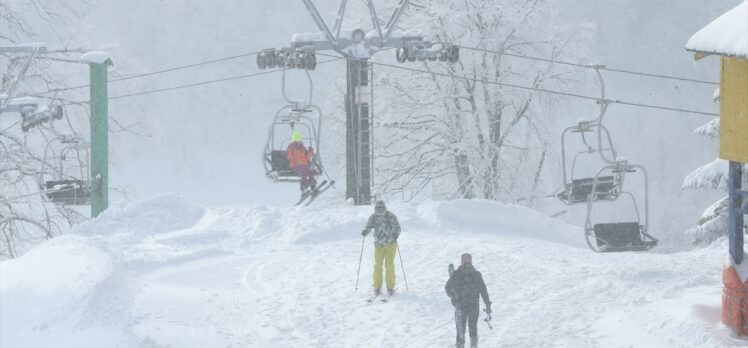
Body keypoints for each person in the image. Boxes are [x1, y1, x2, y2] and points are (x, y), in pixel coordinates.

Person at [445, 253, 491, 348]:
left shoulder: (477, 275)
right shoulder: (456, 275)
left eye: (468, 260)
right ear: (461, 261)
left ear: (471, 261)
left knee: (473, 329)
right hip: (460, 307)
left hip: (474, 307)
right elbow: (448, 288)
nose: (467, 262)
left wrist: (487, 304)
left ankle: (474, 346)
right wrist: (454, 299)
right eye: (465, 260)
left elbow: (483, 290)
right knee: (460, 331)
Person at [361, 200, 401, 297]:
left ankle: (390, 287)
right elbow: (368, 226)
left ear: (384, 207)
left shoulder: (390, 216)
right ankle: (377, 286)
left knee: (389, 265)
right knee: (377, 265)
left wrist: (395, 233)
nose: (380, 210)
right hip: (378, 244)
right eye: (378, 208)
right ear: (375, 208)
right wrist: (366, 230)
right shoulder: (373, 217)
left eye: (381, 208)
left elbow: (397, 227)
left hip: (390, 243)